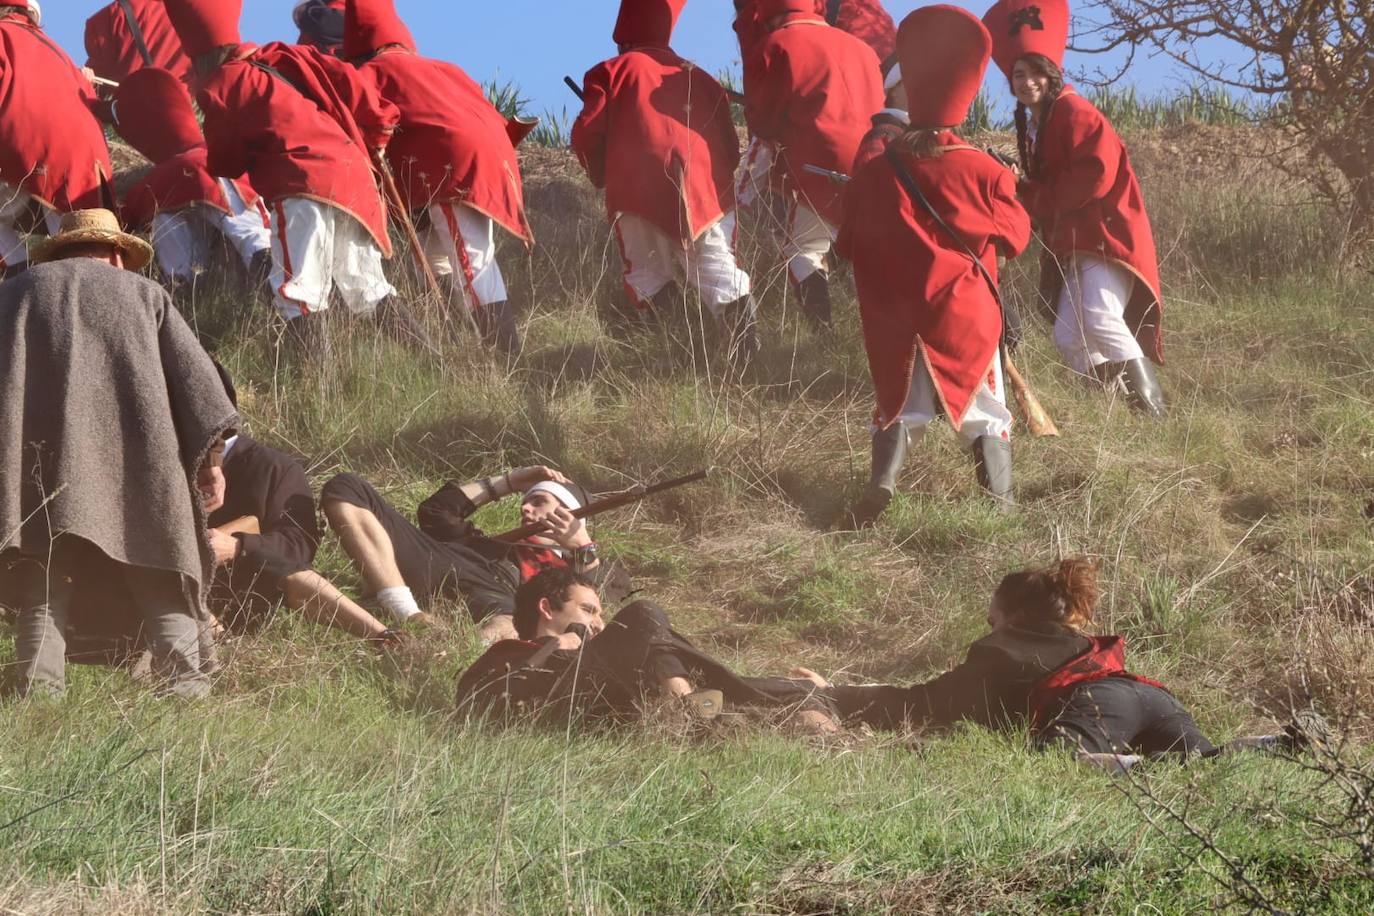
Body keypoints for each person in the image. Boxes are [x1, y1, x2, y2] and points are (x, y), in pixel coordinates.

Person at [0, 209, 237, 698]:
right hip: (137, 466)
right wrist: (211, 464)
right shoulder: (145, 294)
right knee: (161, 568)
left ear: (62, 249)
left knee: (46, 578)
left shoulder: (16, 294)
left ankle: (37, 698)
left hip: (37, 467)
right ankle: (187, 690)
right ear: (115, 253)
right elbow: (203, 394)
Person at [835, 6, 1030, 526]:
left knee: (903, 405)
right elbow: (1015, 238)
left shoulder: (876, 170)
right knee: (985, 409)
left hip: (896, 313)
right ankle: (1001, 508)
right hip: (964, 308)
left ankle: (883, 483)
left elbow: (848, 243)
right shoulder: (984, 168)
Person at [163, 0, 432, 359]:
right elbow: (358, 89)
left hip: (302, 182)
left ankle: (315, 389)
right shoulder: (284, 55)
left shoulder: (220, 85)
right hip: (353, 176)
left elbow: (225, 162)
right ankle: (435, 360)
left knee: (299, 289)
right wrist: (379, 133)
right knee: (368, 288)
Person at [814, 558, 1225, 764]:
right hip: (1154, 695)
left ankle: (1140, 768)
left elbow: (922, 702)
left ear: (1014, 617)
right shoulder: (1074, 640)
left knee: (1060, 764)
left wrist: (835, 695)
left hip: (1098, 702)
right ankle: (1269, 745)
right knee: (1206, 764)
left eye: (993, 618)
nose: (989, 625)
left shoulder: (1004, 646)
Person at [984, 0, 1167, 416]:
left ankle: (1154, 414)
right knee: (1069, 336)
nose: (1027, 81)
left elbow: (1095, 172)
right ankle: (1110, 414)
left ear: (1050, 76)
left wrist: (1032, 194)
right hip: (1080, 243)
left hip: (1105, 235)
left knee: (1100, 319)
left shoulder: (1072, 109)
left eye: (1034, 73)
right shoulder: (1040, 121)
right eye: (1018, 74)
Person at [571, 0, 757, 363]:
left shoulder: (608, 72)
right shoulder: (701, 77)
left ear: (623, 38)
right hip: (708, 192)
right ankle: (749, 362)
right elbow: (730, 148)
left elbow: (585, 137)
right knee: (718, 271)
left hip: (638, 192)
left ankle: (677, 355)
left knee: (647, 273)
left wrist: (602, 172)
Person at [343, 0, 533, 354]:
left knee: (470, 258)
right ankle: (468, 340)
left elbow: (373, 127)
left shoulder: (369, 74)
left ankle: (508, 359)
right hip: (489, 156)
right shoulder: (445, 67)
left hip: (449, 167)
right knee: (437, 260)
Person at [456, 567, 839, 732]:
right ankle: (691, 715)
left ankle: (839, 738)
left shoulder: (617, 656)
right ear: (546, 608)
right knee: (642, 613)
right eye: (588, 610)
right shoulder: (508, 651)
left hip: (631, 711)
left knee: (801, 695)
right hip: (574, 704)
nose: (599, 623)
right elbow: (475, 702)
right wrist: (549, 647)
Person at [319, 465, 630, 644]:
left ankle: (455, 655)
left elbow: (601, 600)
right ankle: (405, 611)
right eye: (526, 500)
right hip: (448, 565)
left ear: (568, 512)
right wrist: (510, 481)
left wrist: (583, 547)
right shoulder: (489, 545)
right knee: (346, 486)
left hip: (505, 600)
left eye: (539, 502)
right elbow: (436, 512)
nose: (524, 507)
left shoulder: (582, 567)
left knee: (508, 621)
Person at [742, 0, 883, 331]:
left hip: (816, 166)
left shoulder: (776, 43)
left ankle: (824, 334)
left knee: (802, 252)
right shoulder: (862, 48)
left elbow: (764, 122)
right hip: (872, 164)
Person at [108, 68, 272, 302]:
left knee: (183, 271)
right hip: (213, 171)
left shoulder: (155, 179)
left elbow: (125, 218)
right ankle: (280, 307)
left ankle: (191, 312)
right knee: (252, 239)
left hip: (162, 190)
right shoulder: (212, 153)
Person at [0, 1, 113, 278]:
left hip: (33, 154)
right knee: (82, 259)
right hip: (89, 162)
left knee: (73, 263)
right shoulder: (56, 50)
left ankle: (18, 275)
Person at [84, 0, 193, 85]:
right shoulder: (201, 23)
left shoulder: (116, 14)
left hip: (123, 108)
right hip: (177, 110)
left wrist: (85, 80)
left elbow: (93, 79)